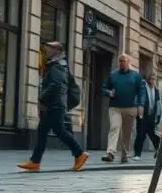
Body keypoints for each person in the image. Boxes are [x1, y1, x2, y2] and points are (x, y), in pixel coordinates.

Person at [18, 42, 88, 171]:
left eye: (49, 48)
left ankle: (79, 153)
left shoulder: (57, 65)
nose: (46, 50)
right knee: (44, 132)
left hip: (55, 104)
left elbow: (56, 85)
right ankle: (35, 162)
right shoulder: (56, 64)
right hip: (54, 104)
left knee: (58, 131)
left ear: (57, 50)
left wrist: (42, 97)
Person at [102, 54, 144, 164]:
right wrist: (109, 92)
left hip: (130, 108)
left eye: (124, 61)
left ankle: (125, 155)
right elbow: (104, 88)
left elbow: (141, 91)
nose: (121, 63)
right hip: (115, 107)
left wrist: (140, 104)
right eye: (120, 61)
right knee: (114, 128)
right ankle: (110, 153)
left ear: (128, 62)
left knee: (127, 132)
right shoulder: (113, 75)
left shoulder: (135, 75)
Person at [134, 75, 162, 159]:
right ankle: (137, 154)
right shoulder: (142, 89)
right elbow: (138, 99)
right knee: (140, 134)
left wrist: (158, 115)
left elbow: (158, 104)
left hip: (151, 116)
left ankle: (159, 151)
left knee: (153, 135)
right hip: (142, 115)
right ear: (147, 80)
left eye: (153, 79)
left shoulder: (156, 90)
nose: (152, 80)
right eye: (150, 79)